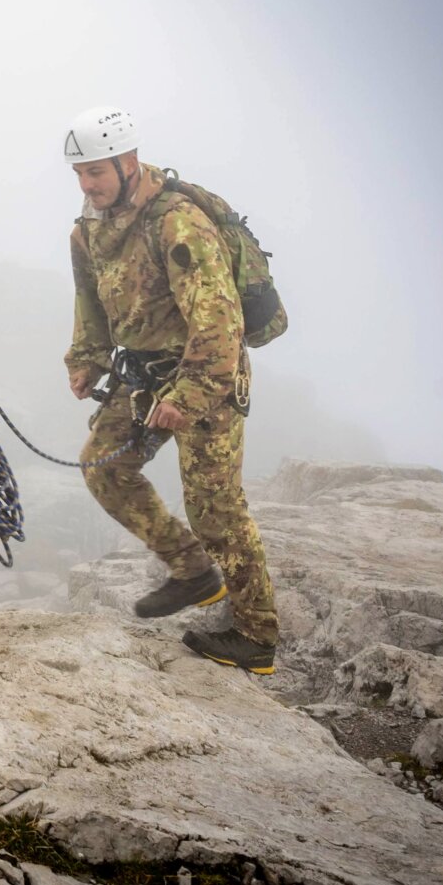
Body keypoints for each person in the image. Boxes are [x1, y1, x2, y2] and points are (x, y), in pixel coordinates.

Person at [62, 105, 280, 674]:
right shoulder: (89, 229)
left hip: (205, 375)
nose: (87, 186)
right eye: (80, 175)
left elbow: (219, 322)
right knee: (104, 468)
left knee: (216, 509)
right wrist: (85, 358)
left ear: (129, 162)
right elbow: (90, 301)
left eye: (97, 173)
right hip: (142, 377)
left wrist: (187, 396)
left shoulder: (178, 222)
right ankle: (191, 570)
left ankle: (255, 635)